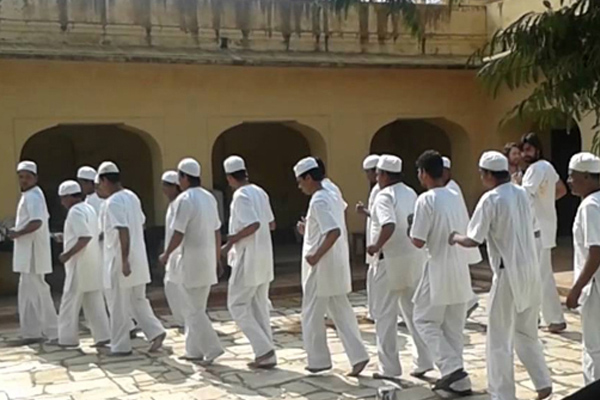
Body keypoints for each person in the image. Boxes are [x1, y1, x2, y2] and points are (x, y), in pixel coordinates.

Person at [450, 151, 552, 400]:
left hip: (508, 275)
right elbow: (534, 230)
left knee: (498, 338)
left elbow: (473, 239)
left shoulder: (491, 199)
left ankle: (502, 394)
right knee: (526, 333)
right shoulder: (522, 194)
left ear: (487, 174)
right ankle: (542, 382)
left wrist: (454, 237)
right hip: (530, 271)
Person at [294, 157, 369, 377]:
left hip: (321, 266)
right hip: (335, 262)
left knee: (311, 313)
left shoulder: (318, 200)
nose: (300, 186)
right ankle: (358, 355)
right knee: (341, 310)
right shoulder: (331, 191)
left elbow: (333, 231)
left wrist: (316, 255)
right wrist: (309, 228)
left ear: (309, 177)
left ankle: (318, 360)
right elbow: (334, 222)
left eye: (300, 181)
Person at [409, 150, 474, 395]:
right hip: (459, 267)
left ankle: (452, 368)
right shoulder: (454, 195)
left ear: (424, 173)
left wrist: (409, 228)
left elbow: (418, 240)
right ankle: (459, 381)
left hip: (437, 267)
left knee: (423, 319)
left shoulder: (426, 200)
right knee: (453, 326)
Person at [365, 155, 433, 380]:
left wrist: (376, 245)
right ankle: (424, 360)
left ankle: (389, 367)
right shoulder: (410, 193)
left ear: (384, 175)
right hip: (412, 259)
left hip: (389, 261)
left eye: (378, 174)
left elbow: (389, 224)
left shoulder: (384, 196)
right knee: (412, 311)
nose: (376, 178)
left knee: (384, 315)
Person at [159, 158, 224, 365]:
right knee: (195, 307)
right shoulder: (209, 198)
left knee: (193, 310)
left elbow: (178, 233)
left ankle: (212, 348)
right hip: (207, 260)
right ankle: (193, 350)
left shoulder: (184, 200)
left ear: (184, 177)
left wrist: (166, 254)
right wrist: (217, 257)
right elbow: (217, 231)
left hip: (191, 262)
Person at [98, 161, 166, 355]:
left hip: (121, 259)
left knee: (118, 304)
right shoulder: (132, 197)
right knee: (137, 299)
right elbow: (140, 223)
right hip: (138, 258)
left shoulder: (113, 202)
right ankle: (155, 331)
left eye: (100, 183)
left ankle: (120, 345)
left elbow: (123, 230)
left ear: (105, 180)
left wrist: (124, 259)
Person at [221, 156, 277, 369]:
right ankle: (267, 355)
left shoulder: (240, 196)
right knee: (259, 305)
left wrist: (230, 241)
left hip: (248, 256)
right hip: (264, 255)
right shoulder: (260, 192)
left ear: (229, 177)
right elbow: (271, 224)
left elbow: (253, 225)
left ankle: (263, 349)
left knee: (236, 304)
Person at [520, 132, 568, 333]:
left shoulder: (535, 169)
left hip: (536, 229)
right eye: (523, 150)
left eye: (528, 149)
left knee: (540, 275)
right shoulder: (548, 167)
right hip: (546, 227)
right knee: (541, 274)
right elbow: (561, 190)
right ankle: (544, 317)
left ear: (537, 150)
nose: (525, 154)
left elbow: (524, 195)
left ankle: (554, 318)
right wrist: (545, 203)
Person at [56, 180, 110, 348]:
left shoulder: (75, 212)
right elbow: (93, 233)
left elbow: (84, 237)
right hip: (92, 262)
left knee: (69, 301)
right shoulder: (89, 209)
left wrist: (67, 254)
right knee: (93, 301)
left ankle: (67, 339)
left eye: (63, 198)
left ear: (69, 197)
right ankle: (103, 335)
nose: (62, 203)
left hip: (79, 263)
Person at [8, 161, 58, 344]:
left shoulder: (34, 196)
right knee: (27, 294)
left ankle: (53, 331)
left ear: (35, 178)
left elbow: (36, 222)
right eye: (21, 177)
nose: (24, 180)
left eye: (27, 177)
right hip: (26, 253)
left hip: (33, 253)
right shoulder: (29, 195)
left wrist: (18, 233)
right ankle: (31, 332)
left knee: (39, 291)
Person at [565, 152, 600, 385]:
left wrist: (576, 289)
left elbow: (596, 251)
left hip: (595, 288)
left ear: (587, 176)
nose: (569, 181)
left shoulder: (590, 206)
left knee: (594, 349)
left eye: (572, 175)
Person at [442, 156, 482, 319]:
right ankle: (468, 300)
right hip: (455, 237)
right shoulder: (448, 188)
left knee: (459, 272)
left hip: (457, 236)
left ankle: (469, 300)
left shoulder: (451, 189)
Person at [356, 154, 380, 323]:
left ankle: (376, 312)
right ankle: (374, 310)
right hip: (375, 241)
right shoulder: (376, 189)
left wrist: (363, 211)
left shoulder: (379, 190)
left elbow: (380, 217)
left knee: (376, 279)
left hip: (378, 244)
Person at [160, 171, 185, 329]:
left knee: (178, 287)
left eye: (167, 186)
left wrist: (167, 253)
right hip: (173, 254)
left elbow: (179, 232)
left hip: (180, 253)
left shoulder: (180, 204)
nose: (164, 189)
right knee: (171, 285)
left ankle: (185, 320)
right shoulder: (172, 205)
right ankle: (182, 320)